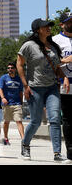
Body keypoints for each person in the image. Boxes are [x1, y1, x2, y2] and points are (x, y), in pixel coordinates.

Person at [17, 18, 67, 162]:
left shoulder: (53, 46)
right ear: (38, 29)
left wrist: (63, 78)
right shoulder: (29, 46)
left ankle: (57, 153)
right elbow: (19, 64)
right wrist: (25, 85)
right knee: (36, 121)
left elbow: (57, 66)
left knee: (55, 120)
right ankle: (25, 144)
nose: (49, 28)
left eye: (49, 26)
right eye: (45, 26)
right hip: (35, 88)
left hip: (52, 87)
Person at [52, 12, 72, 163]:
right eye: (69, 21)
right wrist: (65, 59)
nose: (71, 23)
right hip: (66, 83)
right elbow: (51, 60)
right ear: (62, 24)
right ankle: (70, 150)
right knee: (68, 118)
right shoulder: (55, 40)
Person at [0, 62, 25, 145]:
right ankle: (6, 138)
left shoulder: (19, 79)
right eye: (8, 68)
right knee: (6, 121)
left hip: (17, 103)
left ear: (15, 69)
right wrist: (3, 98)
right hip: (6, 104)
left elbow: (21, 91)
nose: (10, 69)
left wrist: (21, 101)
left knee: (19, 121)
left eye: (12, 68)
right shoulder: (3, 78)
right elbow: (0, 88)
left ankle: (23, 140)